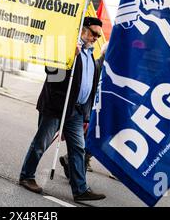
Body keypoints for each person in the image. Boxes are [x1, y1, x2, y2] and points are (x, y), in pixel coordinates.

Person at [19, 17, 106, 203]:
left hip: (76, 111)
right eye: (93, 33)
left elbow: (89, 83)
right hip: (57, 107)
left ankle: (80, 189)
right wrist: (68, 57)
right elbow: (52, 73)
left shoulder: (90, 55)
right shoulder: (66, 47)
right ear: (83, 29)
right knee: (41, 143)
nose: (96, 38)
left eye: (99, 35)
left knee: (78, 149)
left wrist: (85, 113)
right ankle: (26, 176)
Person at [59, 40, 108, 178]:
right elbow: (90, 91)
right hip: (92, 112)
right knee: (92, 143)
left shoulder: (101, 65)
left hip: (92, 112)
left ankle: (73, 168)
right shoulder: (99, 66)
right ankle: (75, 169)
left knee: (88, 143)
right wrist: (88, 116)